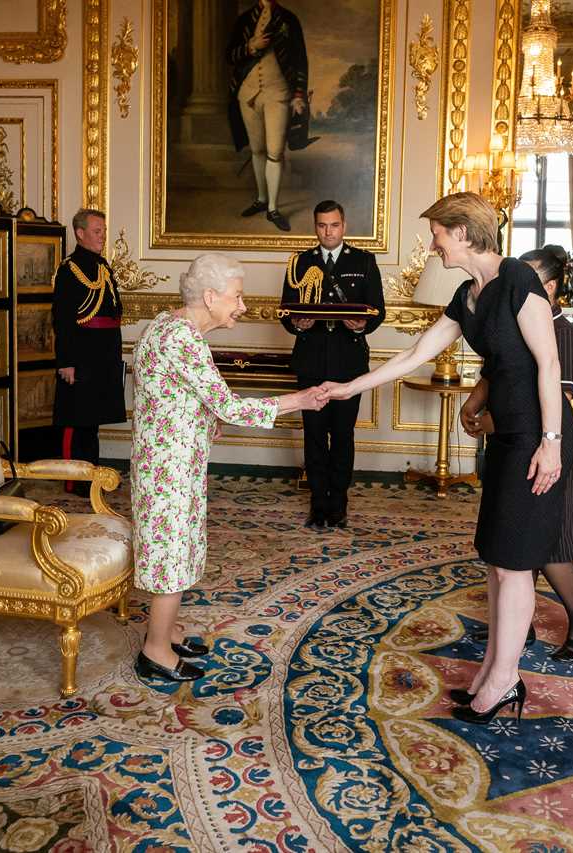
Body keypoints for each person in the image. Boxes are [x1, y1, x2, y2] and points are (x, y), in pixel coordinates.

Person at [321, 192, 573, 725]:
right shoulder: (470, 293)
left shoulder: (518, 282)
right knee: (496, 558)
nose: (432, 243)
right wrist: (348, 387)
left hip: (537, 435)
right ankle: (493, 671)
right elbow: (417, 353)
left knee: (516, 565)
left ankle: (505, 681)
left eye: (437, 233)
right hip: (506, 435)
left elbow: (549, 364)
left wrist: (551, 441)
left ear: (462, 232)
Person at [132, 254, 326, 681]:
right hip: (169, 466)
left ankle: (166, 630)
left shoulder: (169, 326)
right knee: (171, 555)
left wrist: (204, 420)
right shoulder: (181, 338)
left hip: (167, 459)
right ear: (209, 296)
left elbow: (170, 394)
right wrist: (299, 399)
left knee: (179, 547)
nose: (242, 306)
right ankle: (155, 650)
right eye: (236, 296)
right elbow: (228, 405)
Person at [459, 244, 573, 664]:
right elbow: (497, 369)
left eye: (529, 281)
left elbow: (551, 398)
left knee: (551, 545)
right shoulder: (514, 312)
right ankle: (517, 627)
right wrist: (474, 403)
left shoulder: (564, 334)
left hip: (547, 447)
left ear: (552, 287)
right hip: (513, 443)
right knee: (514, 546)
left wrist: (493, 422)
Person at [279, 200, 385, 528]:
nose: (328, 231)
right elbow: (285, 311)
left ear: (344, 225)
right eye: (322, 226)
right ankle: (317, 504)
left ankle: (338, 504)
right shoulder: (299, 263)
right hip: (311, 361)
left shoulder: (364, 262)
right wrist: (298, 324)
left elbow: (377, 310)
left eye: (334, 225)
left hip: (348, 364)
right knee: (313, 435)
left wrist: (363, 325)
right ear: (315, 227)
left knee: (342, 435)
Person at [52, 208, 124, 495]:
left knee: (91, 421)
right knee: (76, 419)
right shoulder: (70, 269)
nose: (102, 237)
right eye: (97, 231)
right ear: (80, 233)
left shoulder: (102, 266)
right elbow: (63, 319)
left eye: (104, 231)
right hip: (80, 356)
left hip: (102, 355)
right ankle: (75, 479)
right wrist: (66, 362)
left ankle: (91, 477)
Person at [226, 0, 310, 232]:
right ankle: (262, 199)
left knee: (275, 152)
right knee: (257, 150)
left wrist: (299, 93)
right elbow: (230, 56)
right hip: (247, 93)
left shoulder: (289, 20)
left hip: (278, 92)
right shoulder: (244, 20)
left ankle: (273, 208)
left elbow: (300, 59)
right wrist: (250, 46)